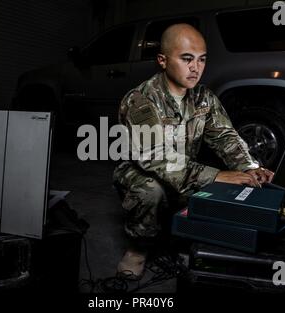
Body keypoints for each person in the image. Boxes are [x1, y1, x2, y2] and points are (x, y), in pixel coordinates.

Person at [113, 23, 274, 280]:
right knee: (151, 190)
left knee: (237, 183)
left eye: (201, 60)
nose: (195, 68)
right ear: (163, 61)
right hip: (141, 171)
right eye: (186, 59)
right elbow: (154, 157)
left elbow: (225, 136)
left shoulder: (204, 98)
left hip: (187, 169)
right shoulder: (140, 100)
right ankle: (137, 248)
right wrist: (215, 176)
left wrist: (249, 167)